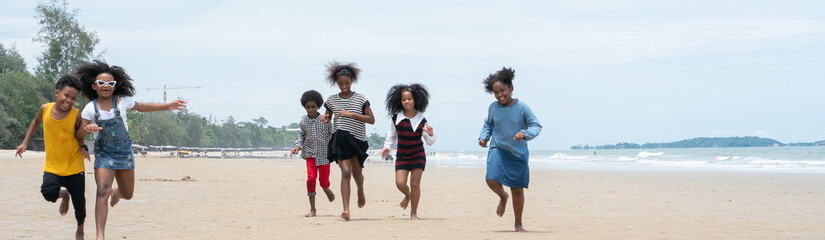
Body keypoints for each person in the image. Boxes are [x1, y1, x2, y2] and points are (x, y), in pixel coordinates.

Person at [75, 60, 187, 240]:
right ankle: (100, 236)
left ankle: (116, 192)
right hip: (104, 153)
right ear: (93, 86)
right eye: (101, 83)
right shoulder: (90, 108)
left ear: (115, 85)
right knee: (102, 189)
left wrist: (168, 106)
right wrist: (87, 130)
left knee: (128, 194)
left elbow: (143, 107)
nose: (106, 86)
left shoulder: (123, 101)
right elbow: (79, 132)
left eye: (110, 83)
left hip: (124, 153)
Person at [16, 75, 90, 240]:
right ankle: (64, 194)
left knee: (80, 205)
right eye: (66, 95)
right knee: (48, 193)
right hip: (53, 166)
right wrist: (25, 143)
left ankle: (80, 230)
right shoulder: (45, 109)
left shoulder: (76, 115)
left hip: (74, 166)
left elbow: (79, 136)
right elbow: (35, 122)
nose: (69, 100)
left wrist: (83, 147)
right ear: (57, 93)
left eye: (73, 98)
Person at [478, 67, 542, 232]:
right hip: (498, 149)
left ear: (511, 88)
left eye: (503, 90)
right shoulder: (493, 107)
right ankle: (502, 196)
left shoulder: (522, 107)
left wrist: (525, 133)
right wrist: (483, 137)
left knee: (517, 189)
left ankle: (518, 223)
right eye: (496, 92)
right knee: (491, 179)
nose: (500, 95)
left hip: (517, 153)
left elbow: (536, 125)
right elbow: (488, 124)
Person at [320, 61, 375, 220]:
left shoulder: (360, 98)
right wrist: (325, 119)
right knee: (345, 172)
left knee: (357, 174)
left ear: (352, 82)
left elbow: (371, 119)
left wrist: (351, 114)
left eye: (347, 83)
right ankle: (346, 210)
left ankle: (360, 190)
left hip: (357, 140)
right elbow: (328, 117)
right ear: (337, 83)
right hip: (340, 139)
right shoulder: (331, 100)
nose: (343, 85)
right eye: (340, 83)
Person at [380, 83, 436, 220]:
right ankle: (408, 195)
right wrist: (387, 147)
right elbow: (392, 136)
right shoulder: (396, 118)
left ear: (415, 100)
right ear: (400, 101)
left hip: (418, 154)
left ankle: (414, 213)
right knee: (400, 183)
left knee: (415, 184)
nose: (407, 102)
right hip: (402, 156)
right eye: (404, 99)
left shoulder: (421, 120)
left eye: (409, 99)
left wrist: (431, 133)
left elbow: (429, 142)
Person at [291, 90, 336, 217]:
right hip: (310, 154)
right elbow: (302, 136)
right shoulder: (303, 121)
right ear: (304, 107)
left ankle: (327, 189)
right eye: (308, 107)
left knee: (323, 181)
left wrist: (335, 150)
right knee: (311, 179)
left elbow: (333, 135)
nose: (310, 110)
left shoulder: (326, 121)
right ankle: (313, 209)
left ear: (318, 107)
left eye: (313, 107)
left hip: (324, 155)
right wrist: (297, 147)